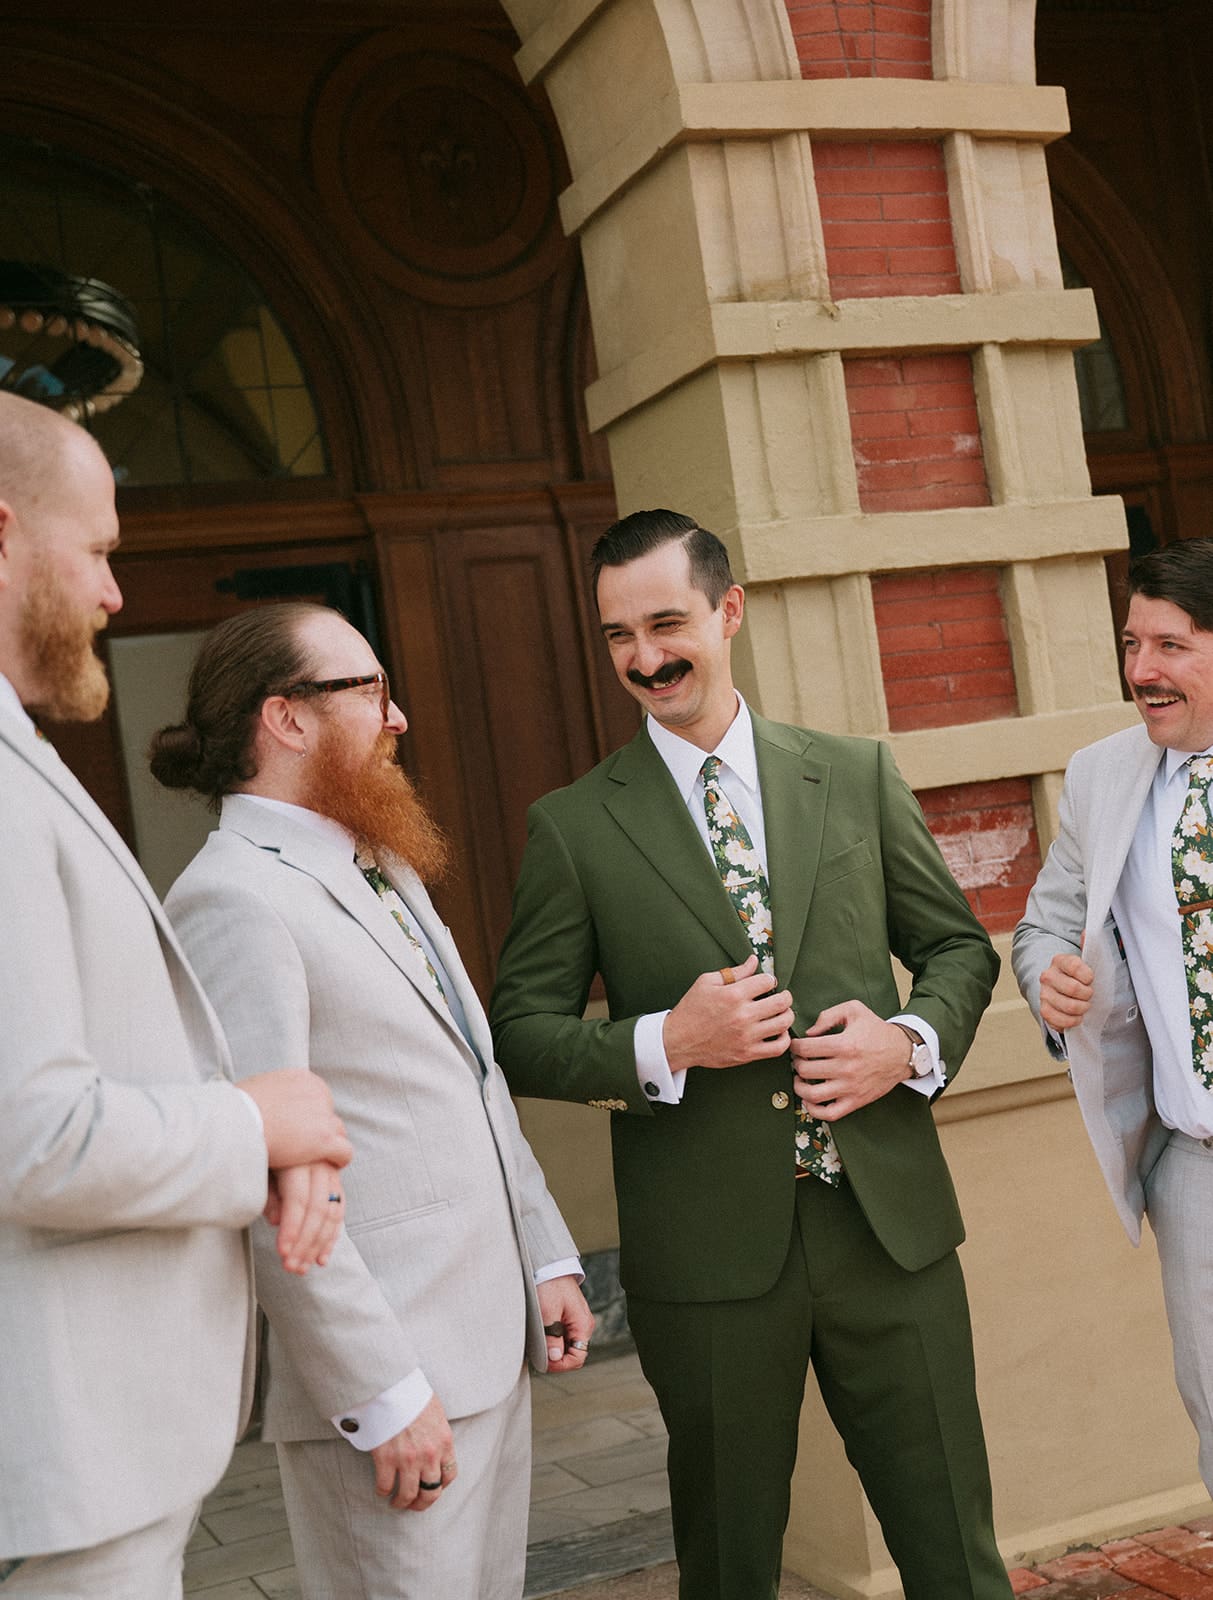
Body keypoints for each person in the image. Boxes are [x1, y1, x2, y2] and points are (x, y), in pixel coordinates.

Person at [490, 509, 1012, 1600]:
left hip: (891, 1235)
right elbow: (521, 1032)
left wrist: (904, 1042)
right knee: (728, 1566)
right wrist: (663, 1041)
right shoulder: (574, 825)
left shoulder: (854, 774)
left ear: (729, 611)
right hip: (709, 1265)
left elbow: (957, 947)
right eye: (618, 636)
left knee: (955, 1558)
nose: (645, 657)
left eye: (667, 622)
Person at [150, 601, 593, 1600]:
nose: (399, 719)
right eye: (373, 691)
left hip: (488, 1347)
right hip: (394, 1382)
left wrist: (546, 1250)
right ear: (288, 718)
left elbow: (467, 1083)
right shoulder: (230, 899)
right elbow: (264, 1181)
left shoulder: (380, 860)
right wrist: (380, 1392)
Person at [0, 391, 353, 1599]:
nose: (112, 592)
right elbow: (33, 1138)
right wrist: (264, 1120)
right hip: (61, 1471)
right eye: (97, 550)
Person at [1013, 535, 1213, 1495]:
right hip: (1194, 1168)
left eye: (1169, 646)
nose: (1142, 671)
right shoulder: (1100, 777)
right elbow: (1044, 922)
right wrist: (1048, 974)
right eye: (1131, 645)